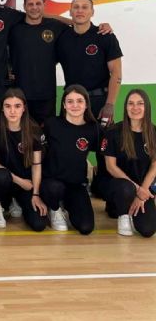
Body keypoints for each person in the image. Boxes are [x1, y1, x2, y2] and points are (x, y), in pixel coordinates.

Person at [41, 84, 102, 234]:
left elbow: (105, 155)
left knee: (86, 227)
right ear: (64, 105)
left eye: (79, 101)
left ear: (86, 104)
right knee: (55, 188)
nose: (75, 105)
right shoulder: (51, 124)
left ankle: (67, 204)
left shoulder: (94, 129)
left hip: (76, 184)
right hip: (52, 182)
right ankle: (54, 209)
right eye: (70, 101)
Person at [56, 0, 123, 123]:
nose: (80, 10)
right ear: (70, 12)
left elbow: (116, 72)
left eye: (85, 7)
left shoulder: (105, 35)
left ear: (92, 12)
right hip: (71, 102)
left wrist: (109, 105)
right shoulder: (62, 38)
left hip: (98, 102)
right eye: (76, 7)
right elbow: (44, 17)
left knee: (101, 137)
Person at [0, 88, 48, 231]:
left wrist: (36, 194)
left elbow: (36, 165)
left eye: (17, 106)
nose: (12, 111)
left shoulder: (34, 130)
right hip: (4, 183)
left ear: (24, 108)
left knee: (39, 225)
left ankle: (17, 201)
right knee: (2, 175)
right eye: (8, 106)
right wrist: (18, 180)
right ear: (2, 108)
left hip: (26, 185)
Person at [102, 89, 156, 237]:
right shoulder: (113, 132)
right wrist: (137, 189)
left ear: (147, 107)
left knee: (148, 230)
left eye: (140, 103)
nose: (135, 107)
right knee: (125, 189)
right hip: (119, 186)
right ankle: (122, 215)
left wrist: (143, 190)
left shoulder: (153, 133)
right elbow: (111, 167)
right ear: (125, 107)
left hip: (143, 187)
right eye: (131, 103)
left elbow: (154, 166)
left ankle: (131, 209)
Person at [8, 0, 67, 125]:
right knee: (22, 132)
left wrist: (102, 26)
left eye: (38, 3)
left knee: (47, 133)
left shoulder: (55, 26)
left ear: (44, 5)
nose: (34, 7)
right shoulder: (14, 28)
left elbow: (78, 25)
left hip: (47, 95)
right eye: (30, 4)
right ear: (24, 6)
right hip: (20, 95)